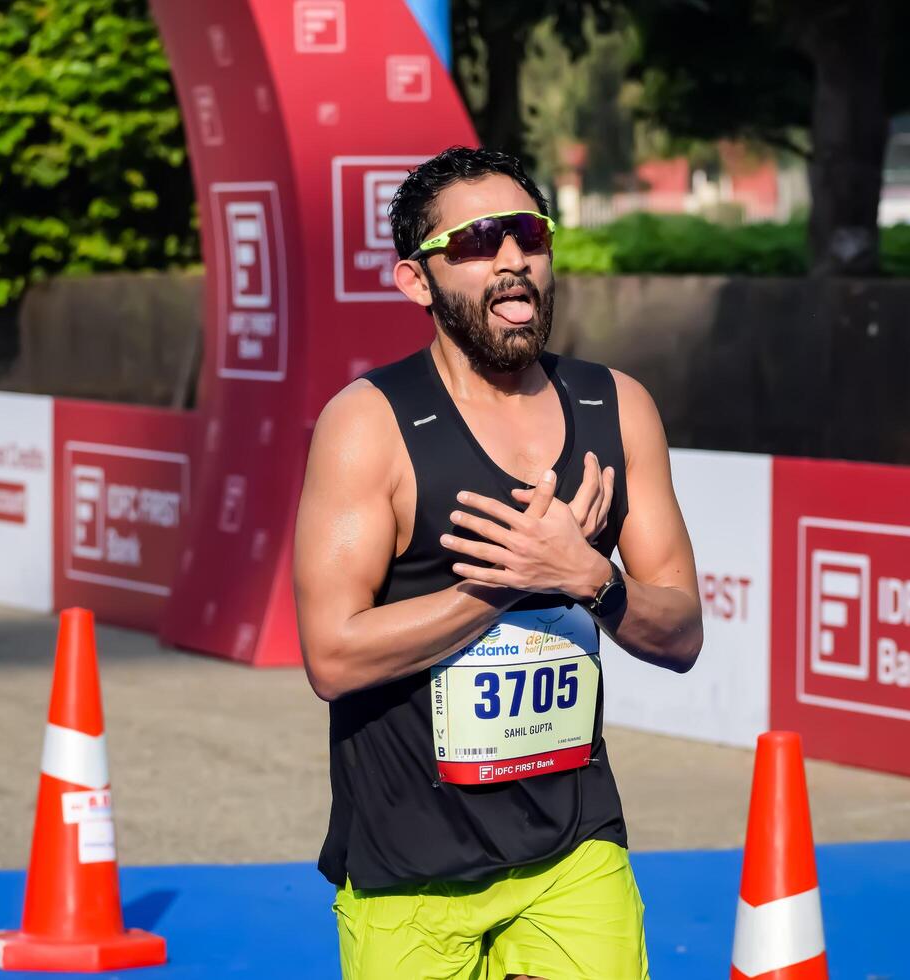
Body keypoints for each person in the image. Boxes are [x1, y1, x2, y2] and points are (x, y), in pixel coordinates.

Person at [294, 146, 703, 980]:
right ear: (416, 281)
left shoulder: (615, 405)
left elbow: (681, 632)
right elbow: (332, 658)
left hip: (573, 849)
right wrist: (504, 583)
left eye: (528, 234)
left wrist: (590, 579)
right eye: (477, 242)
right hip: (409, 868)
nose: (512, 259)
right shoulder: (369, 424)